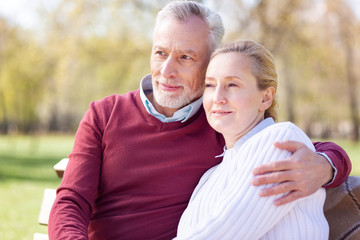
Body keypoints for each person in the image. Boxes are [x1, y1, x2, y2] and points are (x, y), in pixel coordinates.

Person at [48, 1, 351, 239]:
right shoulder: (104, 114)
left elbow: (289, 144)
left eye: (185, 58)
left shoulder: (221, 121)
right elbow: (71, 202)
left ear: (210, 64)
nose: (167, 70)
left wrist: (327, 166)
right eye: (160, 53)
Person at [174, 40, 329, 240]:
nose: (218, 97)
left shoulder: (281, 140)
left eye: (232, 84)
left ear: (266, 97)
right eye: (210, 85)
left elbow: (226, 232)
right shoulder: (211, 176)